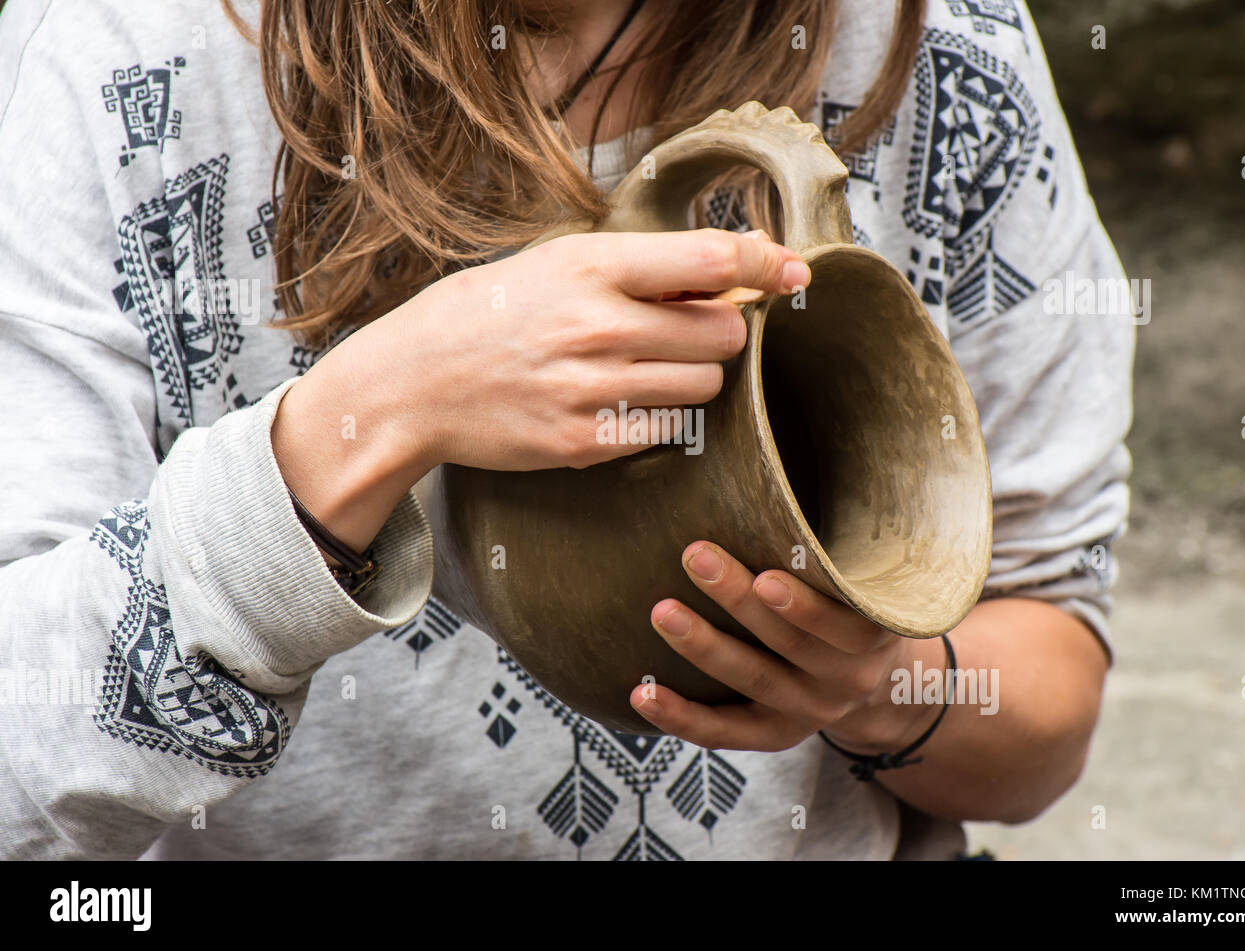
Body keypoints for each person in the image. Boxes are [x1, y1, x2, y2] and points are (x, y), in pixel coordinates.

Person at [0, 0, 1133, 860]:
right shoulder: (123, 50)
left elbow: (1043, 712)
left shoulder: (941, 39)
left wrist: (870, 682)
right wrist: (374, 412)